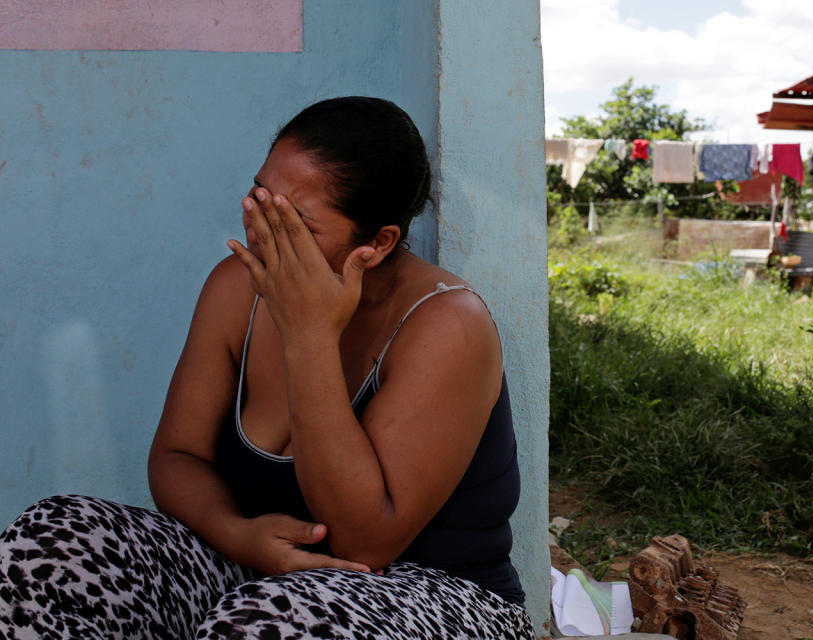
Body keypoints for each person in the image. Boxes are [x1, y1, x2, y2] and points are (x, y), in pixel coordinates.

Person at [0, 97, 534, 639]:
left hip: (432, 595)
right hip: (253, 577)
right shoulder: (237, 288)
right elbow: (176, 456)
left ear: (377, 243)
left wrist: (309, 336)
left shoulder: (446, 323)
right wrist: (239, 534)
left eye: (293, 221)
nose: (259, 226)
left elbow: (365, 542)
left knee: (268, 622)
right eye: (260, 196)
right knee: (55, 539)